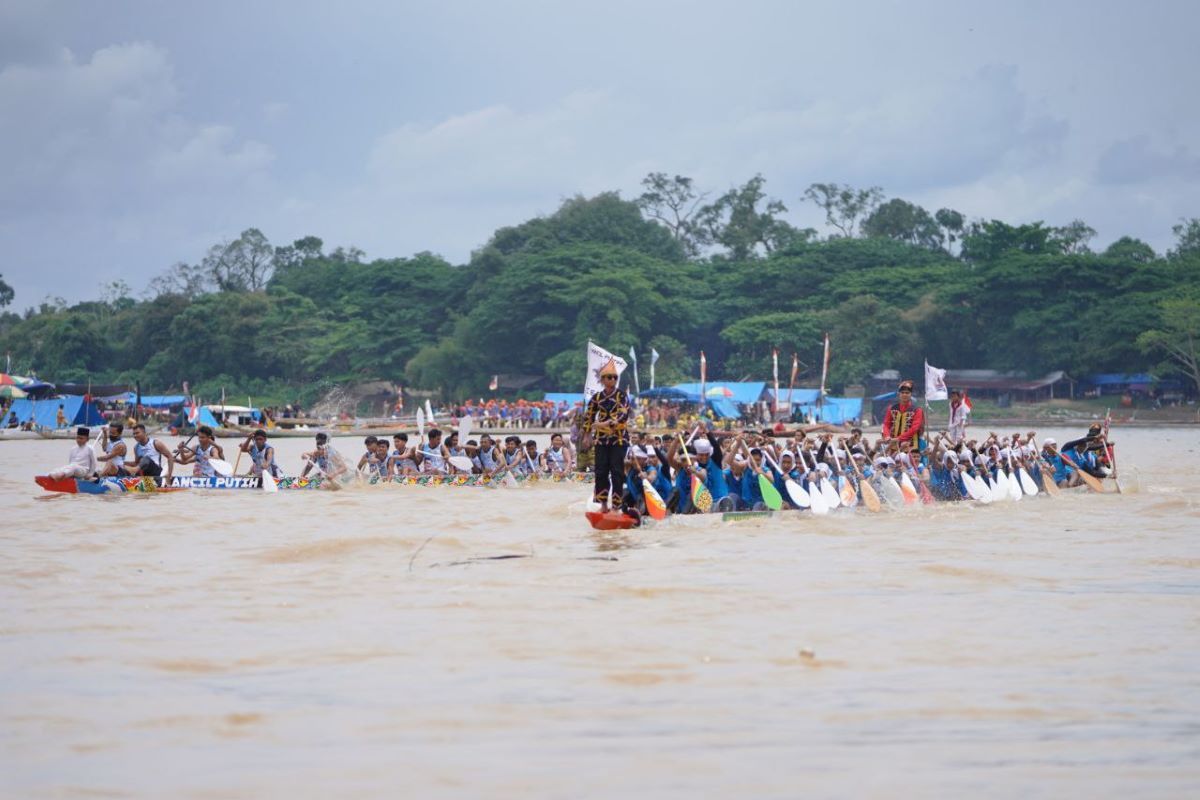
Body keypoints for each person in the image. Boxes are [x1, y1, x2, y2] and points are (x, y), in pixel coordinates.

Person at [581, 360, 632, 513]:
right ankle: (603, 505)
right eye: (609, 377)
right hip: (601, 440)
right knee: (601, 471)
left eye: (615, 377)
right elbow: (588, 416)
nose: (612, 380)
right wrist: (586, 435)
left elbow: (623, 415)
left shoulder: (622, 395)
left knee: (616, 471)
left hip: (619, 438)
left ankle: (616, 506)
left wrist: (603, 424)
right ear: (602, 380)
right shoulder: (596, 398)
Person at [882, 379, 925, 450]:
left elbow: (915, 428)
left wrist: (899, 438)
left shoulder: (917, 410)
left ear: (911, 394)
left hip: (911, 445)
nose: (904, 394)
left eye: (907, 393)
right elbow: (886, 424)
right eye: (902, 392)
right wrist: (887, 436)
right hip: (893, 444)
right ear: (899, 394)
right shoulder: (891, 408)